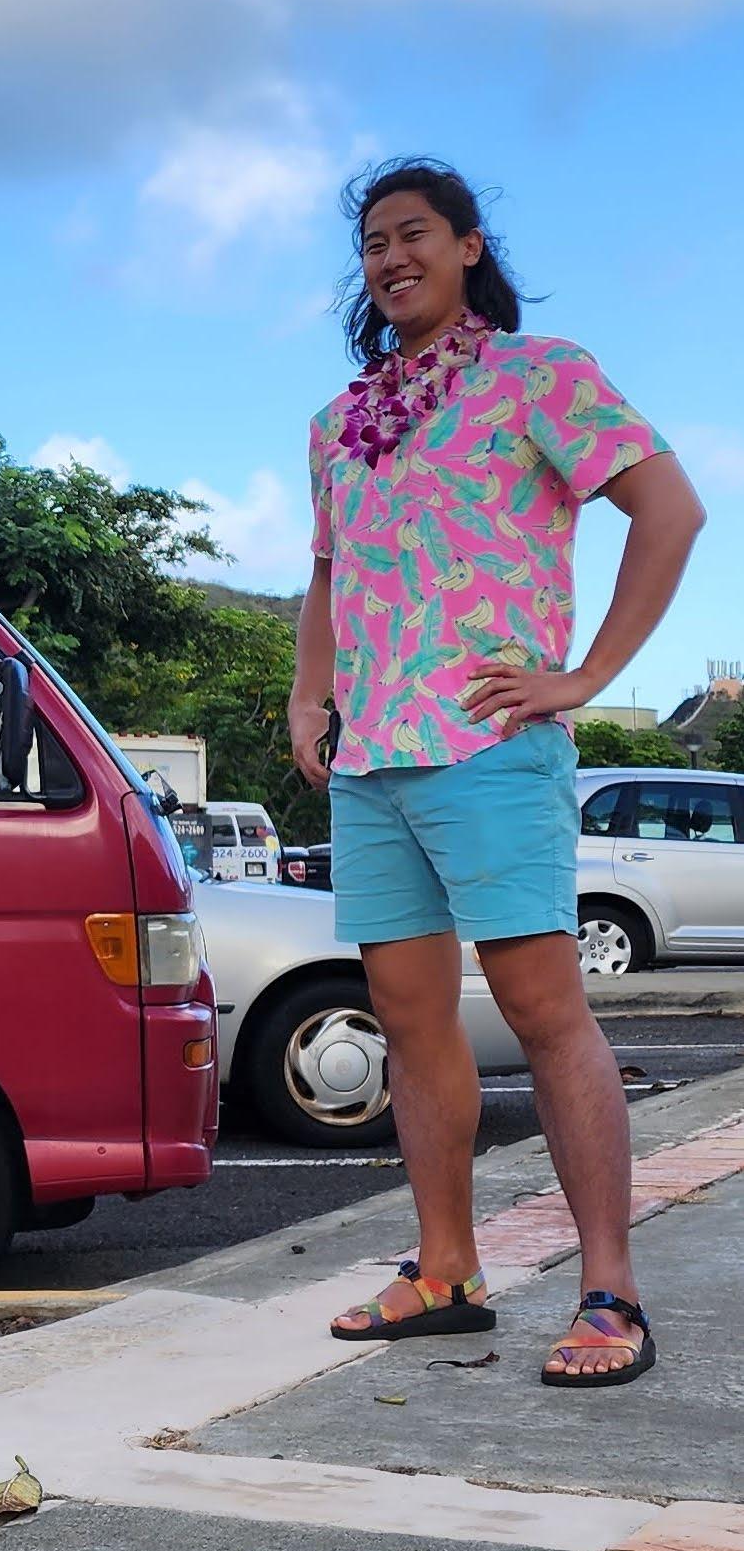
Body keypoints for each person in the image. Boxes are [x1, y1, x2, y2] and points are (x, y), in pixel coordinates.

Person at [290, 158, 705, 1388]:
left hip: (488, 743)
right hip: (371, 756)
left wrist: (580, 676)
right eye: (370, 242)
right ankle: (444, 1270)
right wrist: (308, 692)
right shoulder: (339, 419)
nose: (387, 257)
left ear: (467, 246)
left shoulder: (540, 374)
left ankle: (609, 1290)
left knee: (541, 1009)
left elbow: (669, 510)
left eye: (411, 233)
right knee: (413, 1028)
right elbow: (325, 573)